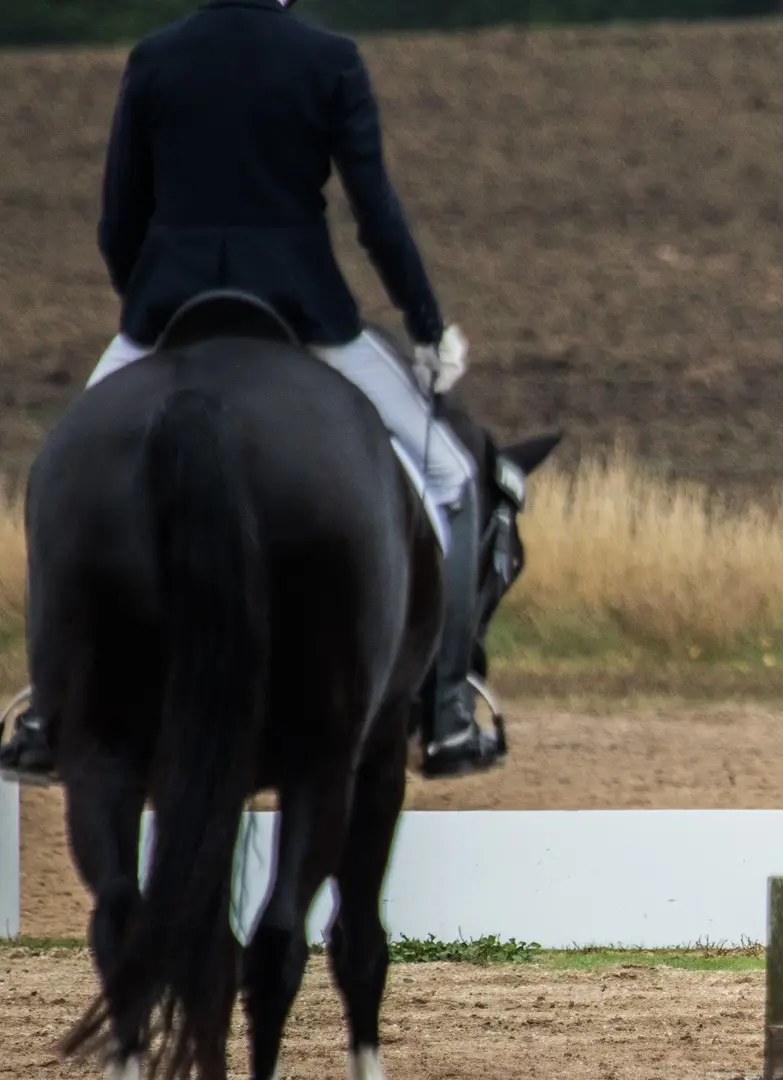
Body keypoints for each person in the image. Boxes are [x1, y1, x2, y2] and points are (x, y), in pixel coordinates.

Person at [0, 0, 500, 782]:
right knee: (453, 479)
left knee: (57, 473)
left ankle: (44, 706)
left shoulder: (155, 58)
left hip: (167, 309)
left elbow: (117, 218)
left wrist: (149, 302)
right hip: (305, 314)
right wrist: (429, 327)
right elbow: (377, 217)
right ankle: (447, 712)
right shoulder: (329, 59)